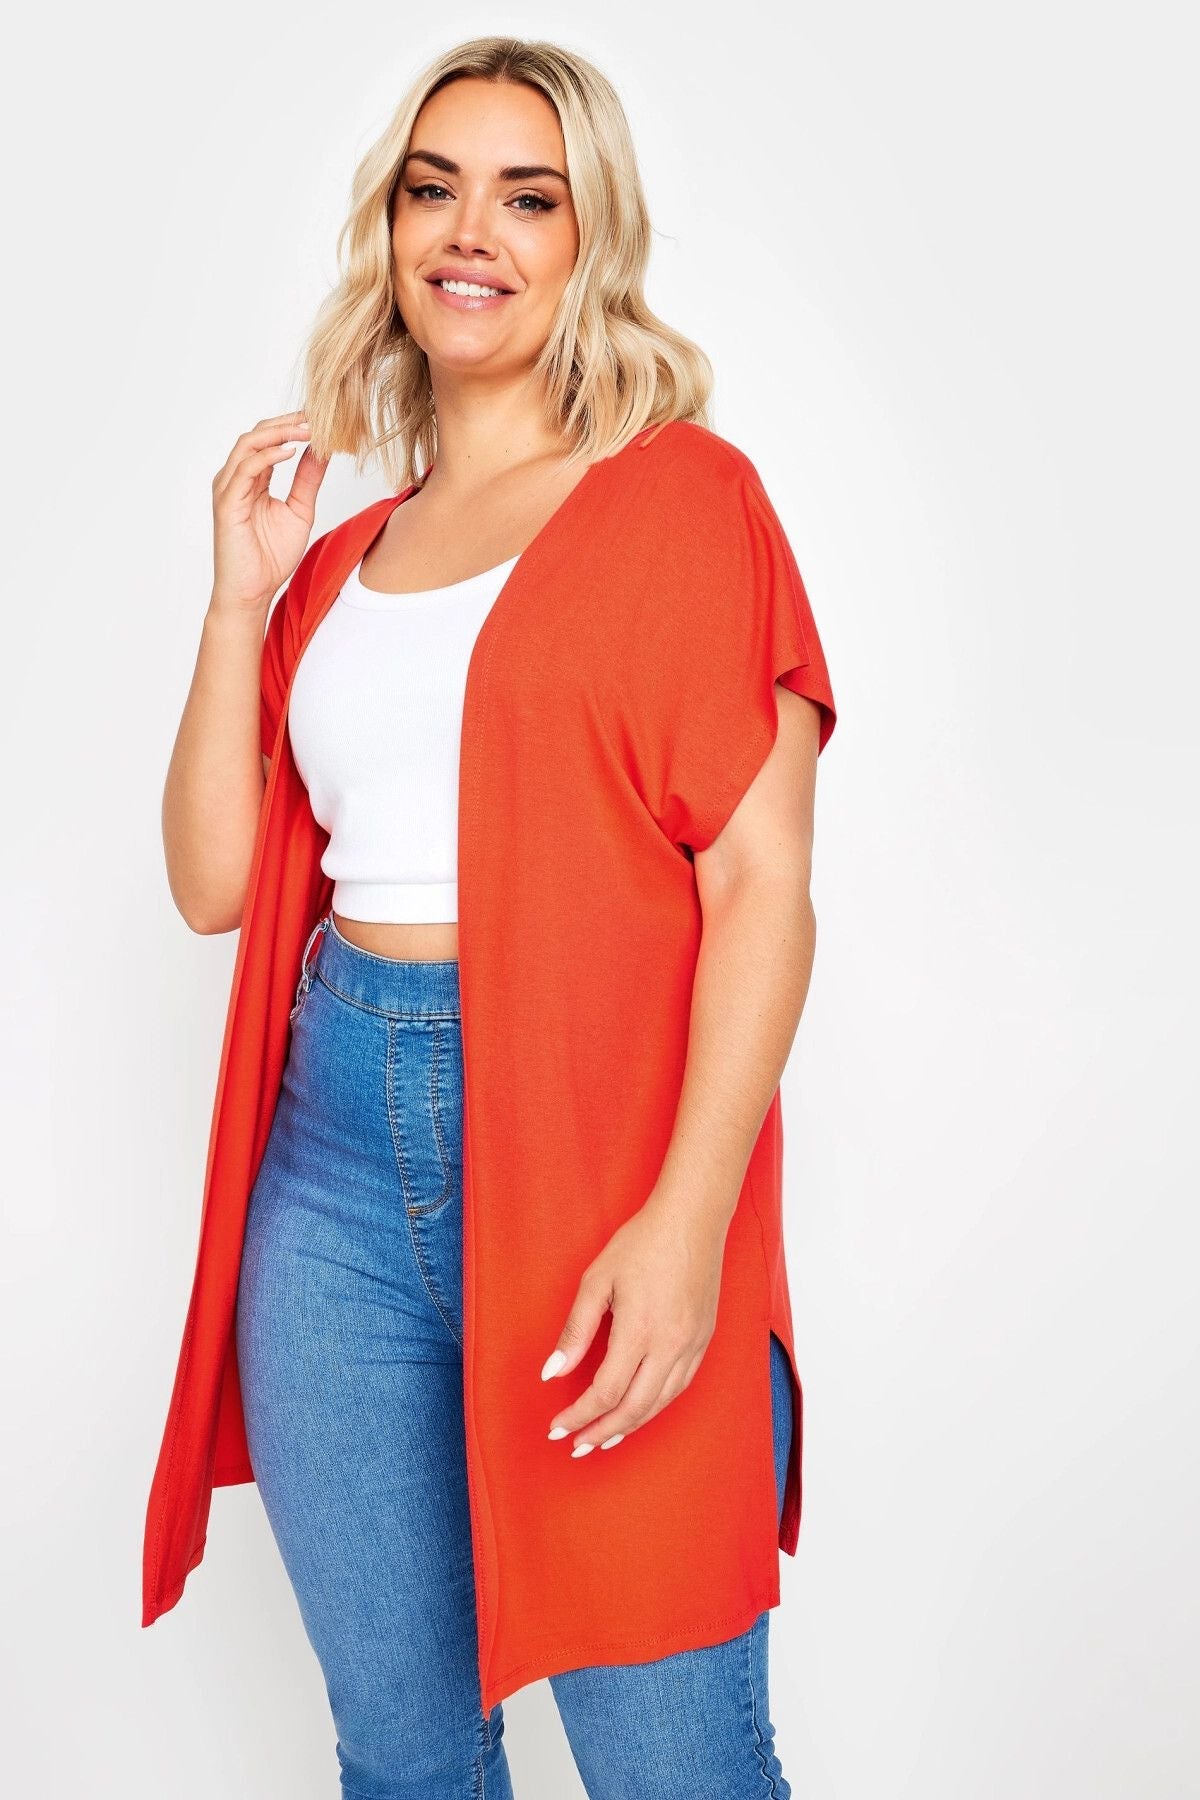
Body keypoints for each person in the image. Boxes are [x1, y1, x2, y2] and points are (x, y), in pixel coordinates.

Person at [148, 34, 837, 1798]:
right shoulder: (337, 562)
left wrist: (687, 1223)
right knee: (403, 1757)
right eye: (433, 188)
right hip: (328, 1173)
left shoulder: (683, 499)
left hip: (601, 1160)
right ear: (389, 227)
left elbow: (761, 883)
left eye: (529, 197)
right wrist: (236, 607)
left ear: (590, 237)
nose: (472, 231)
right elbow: (215, 884)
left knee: (675, 1762)